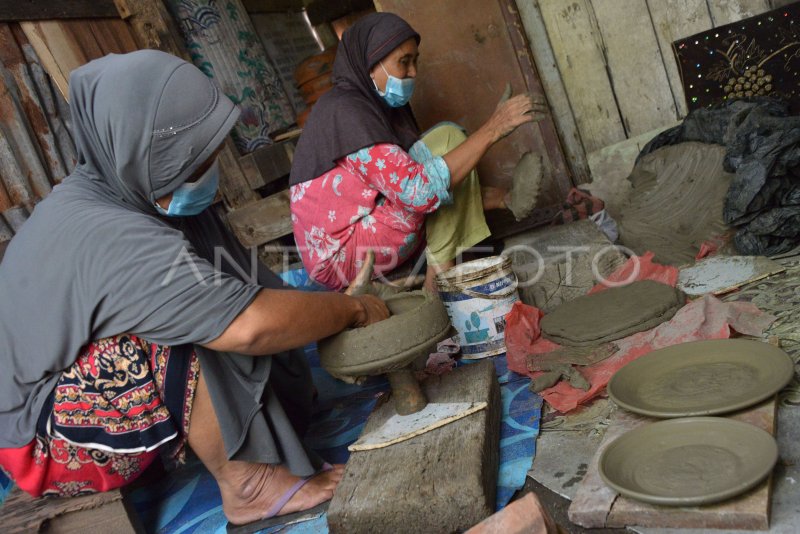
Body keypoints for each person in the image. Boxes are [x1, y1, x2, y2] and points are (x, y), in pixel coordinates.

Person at [0, 50, 389, 526]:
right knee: (193, 322)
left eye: (208, 155)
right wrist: (352, 311)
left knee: (215, 289)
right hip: (44, 443)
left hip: (90, 397)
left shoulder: (132, 191)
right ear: (138, 149)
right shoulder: (112, 234)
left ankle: (249, 441)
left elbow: (253, 289)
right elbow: (248, 326)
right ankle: (251, 487)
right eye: (190, 162)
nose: (207, 171)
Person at [290, 12, 547, 291]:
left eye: (415, 61)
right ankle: (438, 285)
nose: (413, 72)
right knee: (444, 152)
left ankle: (502, 199)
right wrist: (494, 128)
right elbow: (418, 193)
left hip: (365, 227)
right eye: (404, 62)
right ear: (369, 65)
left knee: (445, 151)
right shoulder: (345, 112)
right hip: (342, 256)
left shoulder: (365, 104)